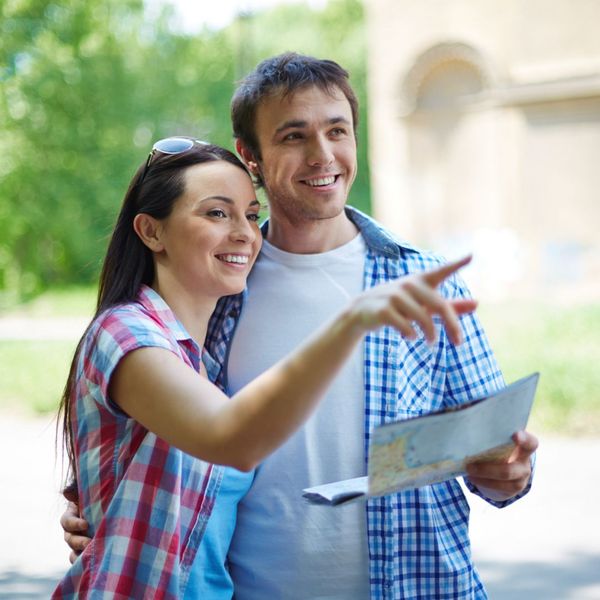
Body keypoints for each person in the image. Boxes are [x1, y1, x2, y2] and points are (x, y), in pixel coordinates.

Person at [62, 54, 538, 598]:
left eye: (337, 131)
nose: (322, 155)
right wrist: (106, 518)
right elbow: (185, 442)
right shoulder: (217, 288)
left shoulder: (422, 282)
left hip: (418, 586)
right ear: (252, 156)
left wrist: (509, 474)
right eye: (293, 136)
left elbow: (496, 453)